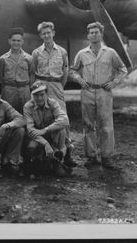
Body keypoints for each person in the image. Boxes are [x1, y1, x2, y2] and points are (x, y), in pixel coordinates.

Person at [69, 22, 127, 169]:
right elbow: (72, 70)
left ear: (101, 34)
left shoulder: (110, 52)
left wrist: (115, 82)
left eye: (96, 32)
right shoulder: (82, 53)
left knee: (106, 125)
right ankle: (91, 156)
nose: (94, 35)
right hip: (87, 91)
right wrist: (79, 79)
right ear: (87, 35)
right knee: (88, 124)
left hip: (104, 91)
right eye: (91, 32)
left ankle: (107, 157)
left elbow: (122, 69)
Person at [31, 21, 77, 166]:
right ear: (40, 35)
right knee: (41, 115)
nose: (46, 35)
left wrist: (58, 86)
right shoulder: (36, 52)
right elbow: (33, 73)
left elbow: (65, 71)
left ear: (53, 33)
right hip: (41, 85)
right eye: (43, 33)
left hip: (56, 85)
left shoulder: (62, 52)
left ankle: (67, 151)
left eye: (48, 32)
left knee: (62, 117)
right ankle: (41, 153)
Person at [23, 81, 72, 176]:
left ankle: (58, 159)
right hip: (38, 139)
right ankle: (39, 159)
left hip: (52, 136)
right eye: (36, 95)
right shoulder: (28, 107)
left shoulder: (53, 103)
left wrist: (45, 130)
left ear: (46, 94)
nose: (39, 98)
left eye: (42, 95)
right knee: (31, 147)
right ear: (32, 95)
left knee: (61, 129)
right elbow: (30, 130)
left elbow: (64, 120)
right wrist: (45, 144)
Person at [0, 27, 33, 113]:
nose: (16, 43)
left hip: (24, 90)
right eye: (13, 40)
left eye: (18, 40)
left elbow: (32, 74)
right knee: (9, 114)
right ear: (9, 41)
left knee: (25, 114)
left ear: (22, 41)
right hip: (9, 90)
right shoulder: (3, 59)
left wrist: (30, 90)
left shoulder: (29, 58)